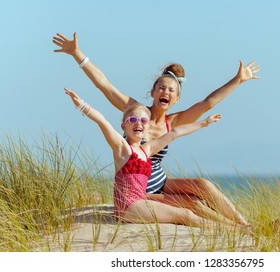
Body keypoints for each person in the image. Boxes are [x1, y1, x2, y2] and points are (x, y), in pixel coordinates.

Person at [53, 32, 261, 226]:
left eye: (171, 90)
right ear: (152, 92)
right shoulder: (135, 113)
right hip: (138, 191)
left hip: (161, 181)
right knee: (195, 205)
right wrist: (77, 54)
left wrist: (238, 80)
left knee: (204, 186)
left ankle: (244, 225)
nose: (166, 92)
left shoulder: (174, 121)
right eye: (161, 87)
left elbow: (208, 103)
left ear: (176, 99)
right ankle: (233, 230)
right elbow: (104, 84)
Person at [64, 87, 241, 228]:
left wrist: (204, 123)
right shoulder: (121, 148)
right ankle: (231, 230)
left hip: (142, 200)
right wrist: (81, 105)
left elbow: (176, 133)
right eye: (133, 120)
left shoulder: (146, 150)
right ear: (124, 126)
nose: (138, 124)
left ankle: (235, 226)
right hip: (128, 206)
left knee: (191, 207)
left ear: (147, 127)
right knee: (184, 215)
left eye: (143, 121)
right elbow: (102, 121)